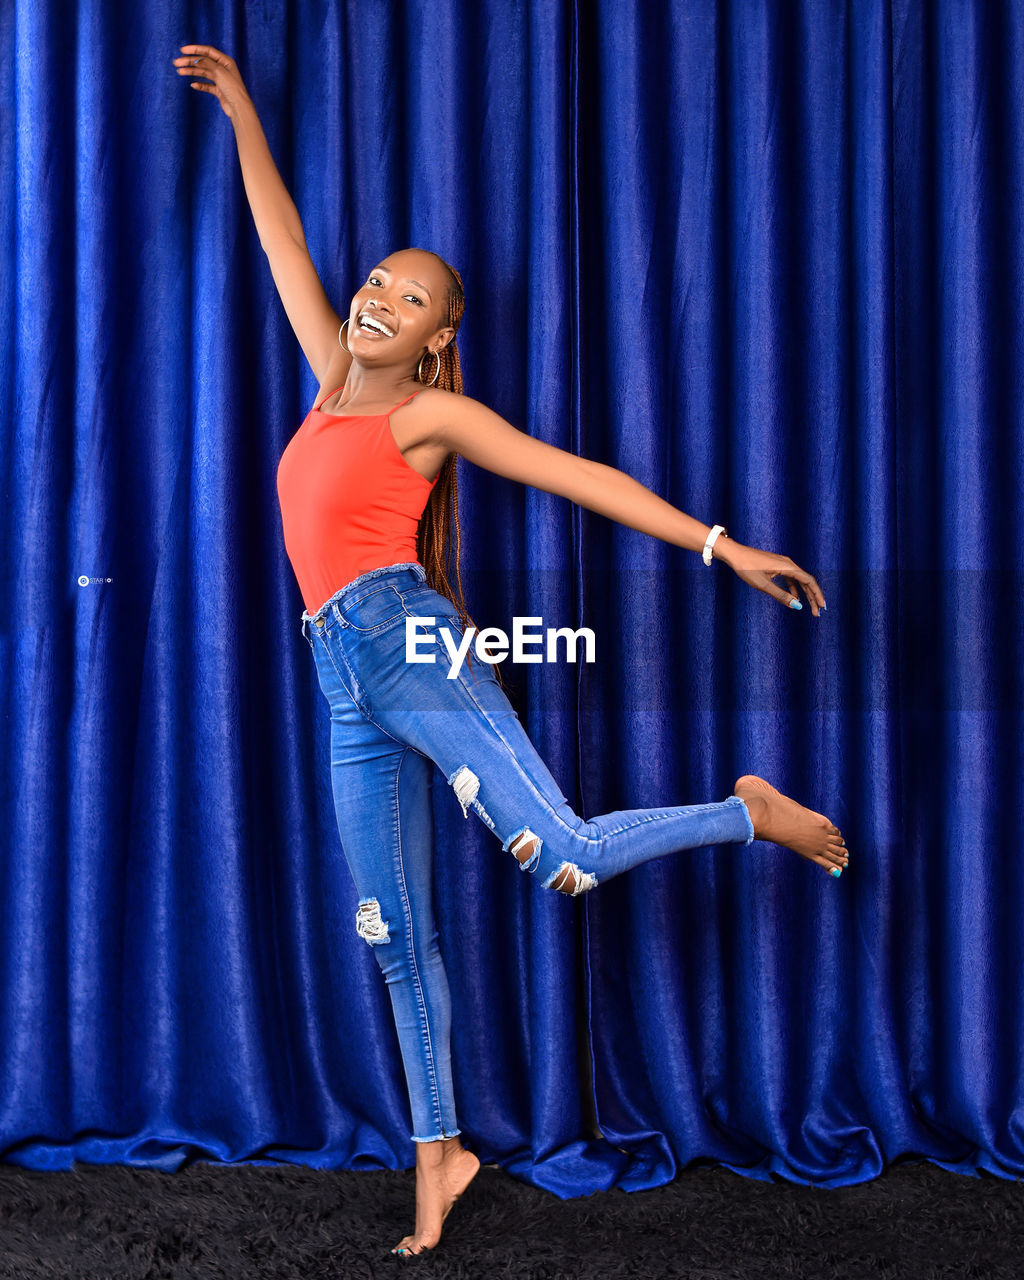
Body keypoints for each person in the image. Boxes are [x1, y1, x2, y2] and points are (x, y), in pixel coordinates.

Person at [173, 44, 850, 1258]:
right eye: (375, 278)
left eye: (410, 296)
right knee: (396, 932)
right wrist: (241, 116)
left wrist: (718, 542)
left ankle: (749, 810)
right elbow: (280, 240)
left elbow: (577, 475)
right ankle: (440, 1152)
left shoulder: (428, 415)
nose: (379, 295)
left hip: (408, 643)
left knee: (567, 857)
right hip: (340, 675)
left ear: (436, 341)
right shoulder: (331, 380)